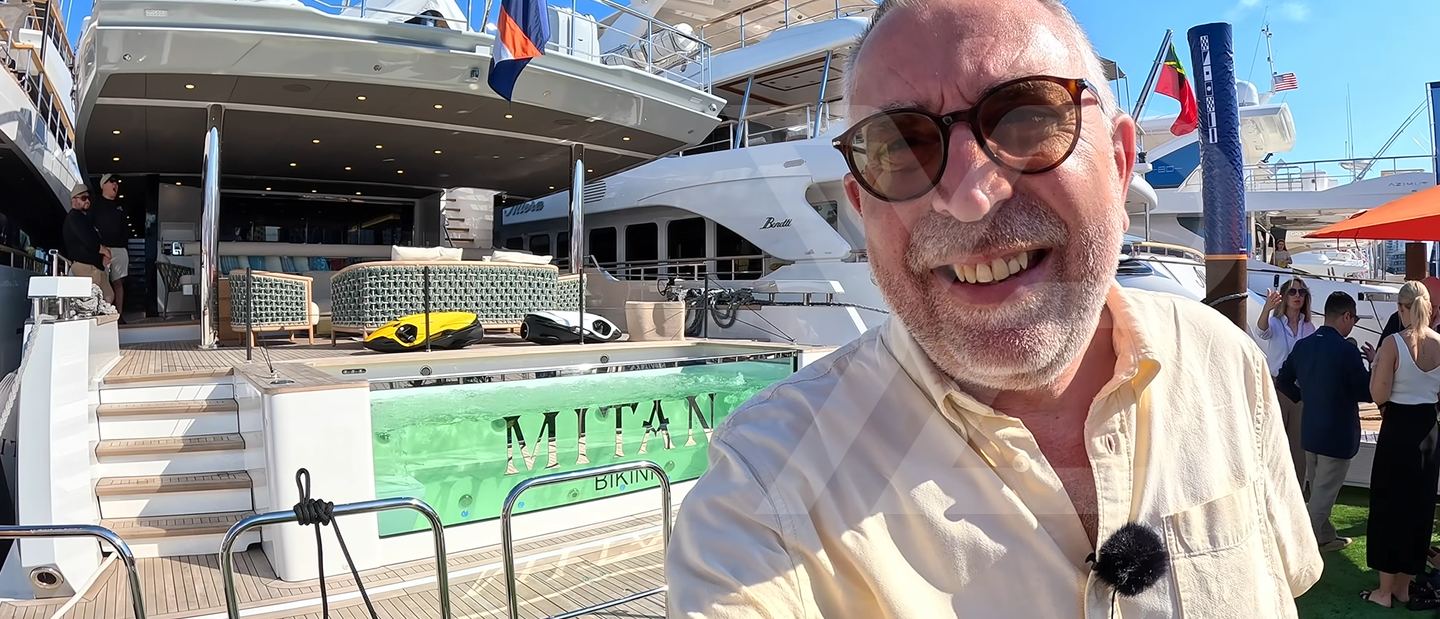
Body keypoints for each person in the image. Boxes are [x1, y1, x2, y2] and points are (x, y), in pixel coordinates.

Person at [664, 0, 1322, 616]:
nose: (969, 197)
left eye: (1028, 118)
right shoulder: (765, 496)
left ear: (1121, 165)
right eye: (898, 146)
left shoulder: (1223, 362)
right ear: (862, 207)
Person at [1274, 291, 1373, 553]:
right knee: (1321, 498)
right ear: (1347, 316)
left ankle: (1325, 537)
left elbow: (1283, 380)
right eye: (1353, 319)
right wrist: (1374, 366)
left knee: (1319, 490)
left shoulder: (1303, 346)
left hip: (1311, 431)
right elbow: (1367, 392)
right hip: (1337, 435)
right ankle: (1298, 549)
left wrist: (1303, 396)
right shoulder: (1346, 351)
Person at [1363, 280, 1440, 609]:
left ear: (1401, 308)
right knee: (1418, 509)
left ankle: (1384, 591)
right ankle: (1404, 587)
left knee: (1388, 507)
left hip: (1397, 430)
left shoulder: (1393, 343)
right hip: (1429, 432)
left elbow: (1378, 393)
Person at [1255, 277, 1316, 487]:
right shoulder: (1275, 322)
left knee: (1298, 445)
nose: (1297, 296)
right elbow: (1261, 331)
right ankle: (1271, 487)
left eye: (1301, 292)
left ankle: (1297, 489)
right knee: (1274, 439)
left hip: (1299, 389)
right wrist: (1267, 308)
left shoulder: (1308, 326)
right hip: (1277, 386)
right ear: (1284, 297)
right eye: (1292, 292)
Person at [62, 185, 112, 302]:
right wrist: (104, 251)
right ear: (74, 200)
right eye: (84, 198)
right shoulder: (74, 217)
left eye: (88, 198)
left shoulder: (81, 218)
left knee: (107, 296)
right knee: (98, 299)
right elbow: (89, 240)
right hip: (86, 266)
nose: (87, 201)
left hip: (91, 266)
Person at [90, 174, 129, 315]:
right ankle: (104, 314)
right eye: (111, 181)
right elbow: (90, 227)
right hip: (103, 249)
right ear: (103, 185)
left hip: (119, 249)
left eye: (116, 182)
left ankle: (119, 314)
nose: (115, 184)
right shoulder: (95, 204)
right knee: (102, 281)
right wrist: (100, 247)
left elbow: (125, 228)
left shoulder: (120, 206)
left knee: (118, 282)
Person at [1379, 276, 1440, 343]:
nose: (1429, 311)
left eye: (1435, 306)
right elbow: (1382, 346)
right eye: (1422, 305)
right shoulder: (1397, 319)